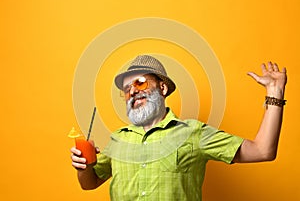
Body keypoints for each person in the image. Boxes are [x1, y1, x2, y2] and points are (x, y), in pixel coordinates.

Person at [70, 54, 287, 201]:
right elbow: (90, 183)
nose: (132, 92)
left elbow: (263, 150)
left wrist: (275, 92)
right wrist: (84, 167)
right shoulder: (118, 139)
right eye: (127, 89)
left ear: (162, 87)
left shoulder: (193, 133)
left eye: (140, 83)